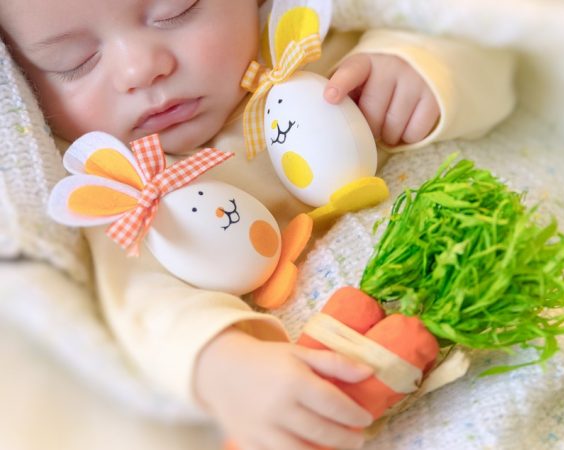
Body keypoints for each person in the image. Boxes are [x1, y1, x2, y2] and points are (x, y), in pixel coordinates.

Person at [0, 0, 516, 448]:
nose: (141, 68)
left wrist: (419, 69)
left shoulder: (308, 48)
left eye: (176, 10)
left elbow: (494, 51)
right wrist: (223, 365)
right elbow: (144, 303)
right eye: (72, 60)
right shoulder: (123, 195)